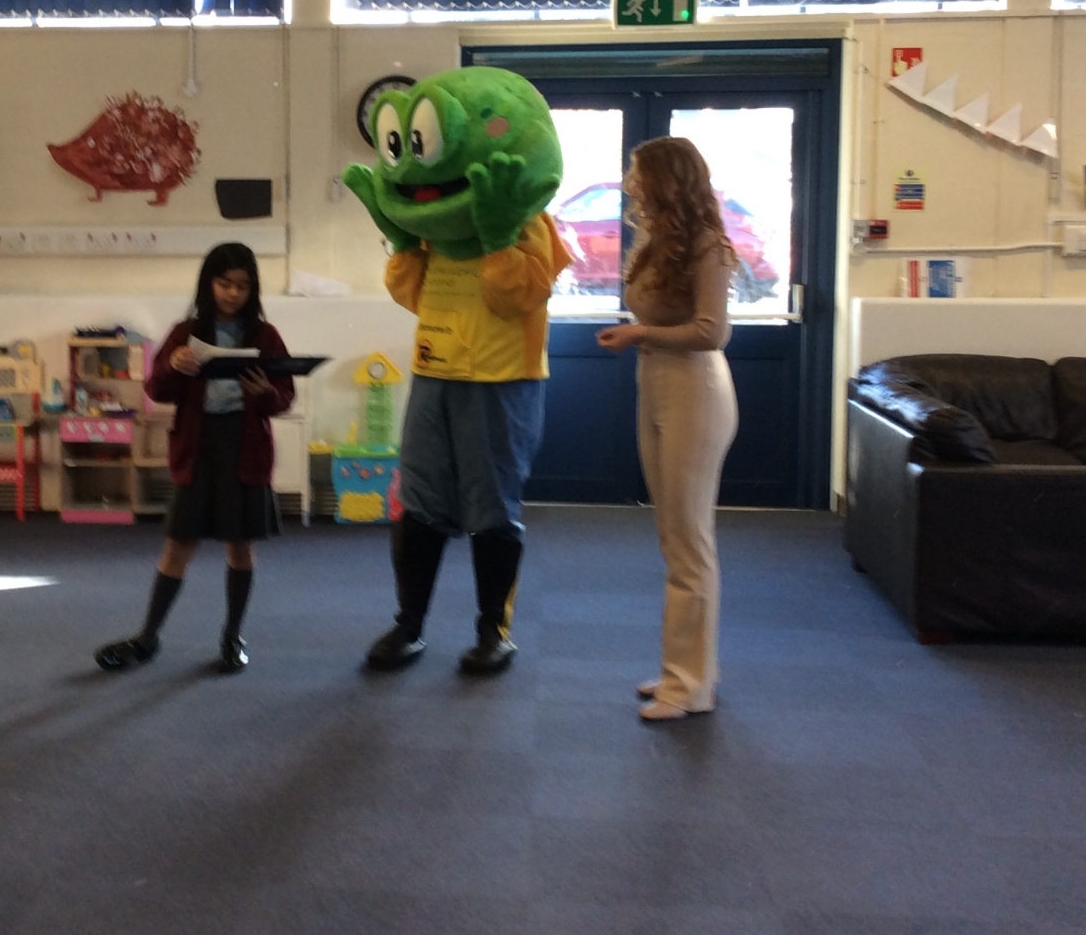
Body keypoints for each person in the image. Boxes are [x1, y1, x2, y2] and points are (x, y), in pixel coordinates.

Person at [342, 66, 570, 675]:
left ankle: (494, 631)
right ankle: (409, 624)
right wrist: (401, 242)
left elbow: (519, 296)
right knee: (419, 503)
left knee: (491, 508)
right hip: (434, 373)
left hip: (501, 380)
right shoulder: (436, 232)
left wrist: (497, 239)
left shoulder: (526, 221)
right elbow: (414, 296)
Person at [94, 243, 295, 673]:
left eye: (242, 285)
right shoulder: (185, 333)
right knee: (178, 543)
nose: (233, 293)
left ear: (252, 289)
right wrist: (173, 366)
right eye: (225, 283)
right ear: (209, 284)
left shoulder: (265, 336)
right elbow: (156, 390)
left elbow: (284, 398)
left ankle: (232, 636)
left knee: (240, 546)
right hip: (198, 447)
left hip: (245, 448)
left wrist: (265, 393)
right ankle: (148, 637)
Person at [596, 136, 739, 721]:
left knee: (688, 540)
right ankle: (686, 670)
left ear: (668, 179)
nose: (630, 183)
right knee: (673, 536)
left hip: (696, 391)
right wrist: (643, 336)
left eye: (638, 173)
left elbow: (712, 332)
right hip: (655, 383)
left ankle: (689, 686)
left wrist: (639, 333)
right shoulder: (658, 239)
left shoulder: (709, 245)